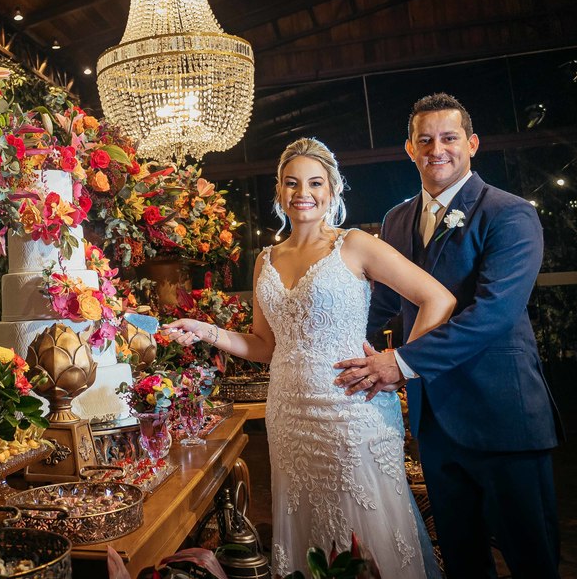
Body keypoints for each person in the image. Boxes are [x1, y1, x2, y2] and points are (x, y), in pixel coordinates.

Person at [167, 138, 454, 578]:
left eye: (315, 182)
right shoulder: (265, 259)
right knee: (308, 531)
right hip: (288, 415)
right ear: (280, 192)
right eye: (292, 182)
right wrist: (206, 331)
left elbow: (437, 298)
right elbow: (265, 346)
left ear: (333, 190)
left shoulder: (355, 244)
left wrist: (399, 364)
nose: (304, 192)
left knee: (366, 533)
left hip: (349, 410)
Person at [333, 92, 563, 579]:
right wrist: (326, 345)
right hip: (434, 422)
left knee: (532, 560)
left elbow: (494, 313)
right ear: (409, 149)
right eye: (425, 139)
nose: (437, 148)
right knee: (461, 560)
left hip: (503, 417)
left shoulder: (510, 213)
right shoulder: (396, 221)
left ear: (472, 144)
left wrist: (401, 362)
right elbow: (384, 305)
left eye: (449, 137)